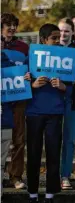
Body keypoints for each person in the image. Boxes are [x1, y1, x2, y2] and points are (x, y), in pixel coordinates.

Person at [25, 24, 66, 203]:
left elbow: (73, 86)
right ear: (43, 40)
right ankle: (32, 193)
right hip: (34, 112)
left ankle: (50, 194)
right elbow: (20, 82)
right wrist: (32, 85)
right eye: (54, 38)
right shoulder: (31, 57)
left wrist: (63, 86)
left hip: (55, 112)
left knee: (53, 153)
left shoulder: (65, 57)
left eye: (59, 37)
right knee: (33, 153)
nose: (58, 41)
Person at [1, 13, 29, 189]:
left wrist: (28, 76)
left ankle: (16, 176)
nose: (11, 28)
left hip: (18, 97)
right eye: (7, 24)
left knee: (19, 138)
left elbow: (30, 68)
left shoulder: (24, 47)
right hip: (2, 99)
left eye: (14, 25)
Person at [58, 18, 75, 190]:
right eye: (60, 30)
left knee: (69, 140)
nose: (63, 34)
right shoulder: (51, 48)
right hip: (53, 99)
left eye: (66, 30)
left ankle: (65, 175)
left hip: (74, 99)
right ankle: (55, 174)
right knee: (54, 139)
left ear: (72, 33)